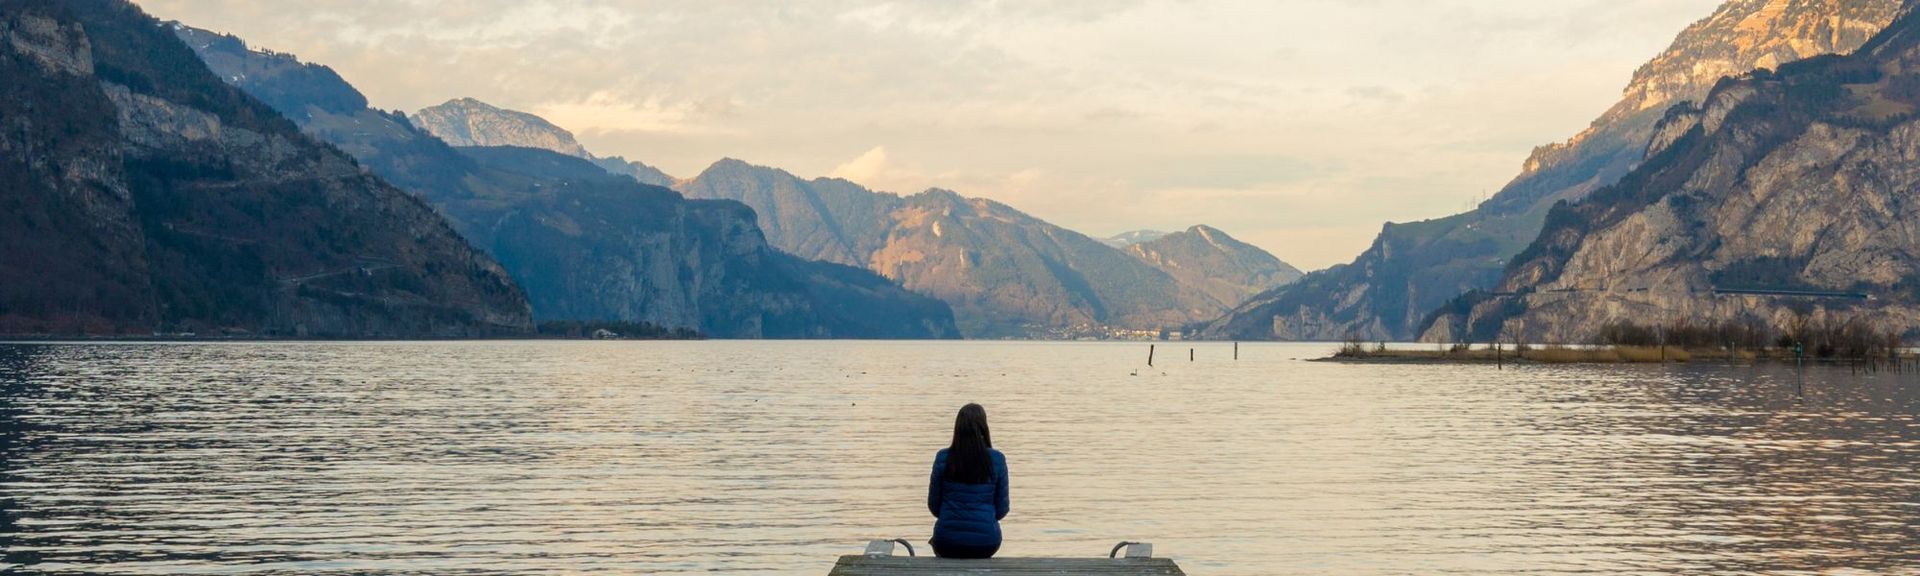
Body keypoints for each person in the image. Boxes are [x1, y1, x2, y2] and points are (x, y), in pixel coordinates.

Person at [927, 403, 1010, 559]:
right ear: (984, 428)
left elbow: (934, 507)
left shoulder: (943, 458)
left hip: (947, 541)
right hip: (986, 542)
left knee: (939, 543)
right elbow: (1002, 510)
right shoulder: (997, 459)